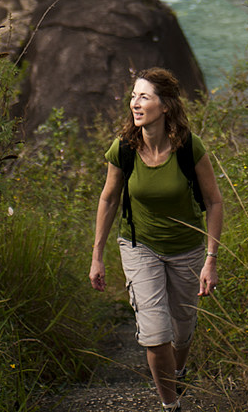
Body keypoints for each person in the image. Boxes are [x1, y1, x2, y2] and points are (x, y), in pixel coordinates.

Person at [89, 67, 223, 412]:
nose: (135, 103)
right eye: (133, 96)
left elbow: (214, 202)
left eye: (144, 96)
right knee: (155, 334)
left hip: (187, 248)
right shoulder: (124, 149)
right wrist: (97, 256)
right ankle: (170, 405)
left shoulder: (189, 147)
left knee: (182, 330)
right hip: (139, 245)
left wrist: (211, 259)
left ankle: (178, 371)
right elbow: (108, 199)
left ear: (164, 106)